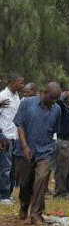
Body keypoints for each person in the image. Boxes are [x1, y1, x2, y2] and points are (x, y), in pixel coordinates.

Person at [13, 82, 62, 225]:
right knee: (25, 182)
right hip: (27, 149)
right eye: (51, 98)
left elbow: (54, 130)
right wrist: (24, 145)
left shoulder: (57, 109)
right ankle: (24, 205)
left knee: (41, 180)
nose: (53, 102)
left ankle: (36, 214)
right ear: (44, 92)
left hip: (45, 151)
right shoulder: (27, 103)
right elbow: (19, 124)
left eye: (55, 99)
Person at [0, 72, 24, 204]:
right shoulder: (2, 96)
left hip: (14, 137)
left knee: (12, 168)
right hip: (5, 137)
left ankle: (7, 193)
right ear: (12, 82)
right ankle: (3, 195)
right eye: (20, 82)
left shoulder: (16, 97)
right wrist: (1, 136)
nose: (22, 85)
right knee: (5, 167)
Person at [54, 91, 69, 198]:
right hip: (64, 140)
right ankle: (60, 191)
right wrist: (63, 96)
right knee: (62, 168)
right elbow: (59, 101)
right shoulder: (62, 109)